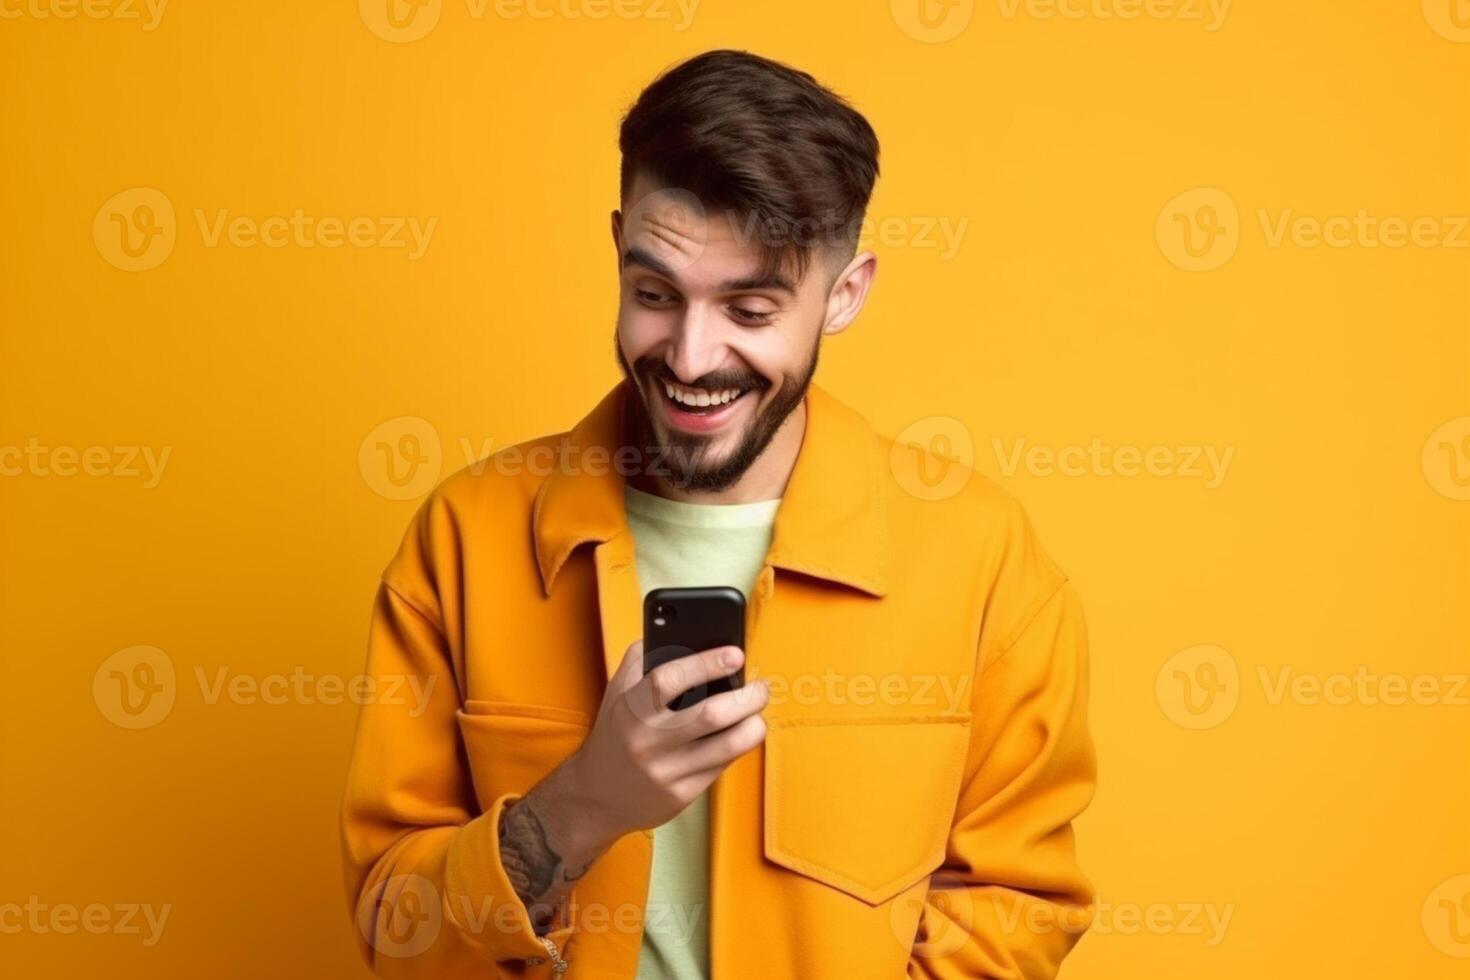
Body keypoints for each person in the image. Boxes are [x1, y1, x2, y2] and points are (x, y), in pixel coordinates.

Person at [341, 48, 1097, 979]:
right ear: (618, 247)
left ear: (845, 295)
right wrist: (583, 804)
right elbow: (392, 925)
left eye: (750, 308)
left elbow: (1017, 907)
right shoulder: (464, 538)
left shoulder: (981, 558)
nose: (692, 358)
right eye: (655, 294)